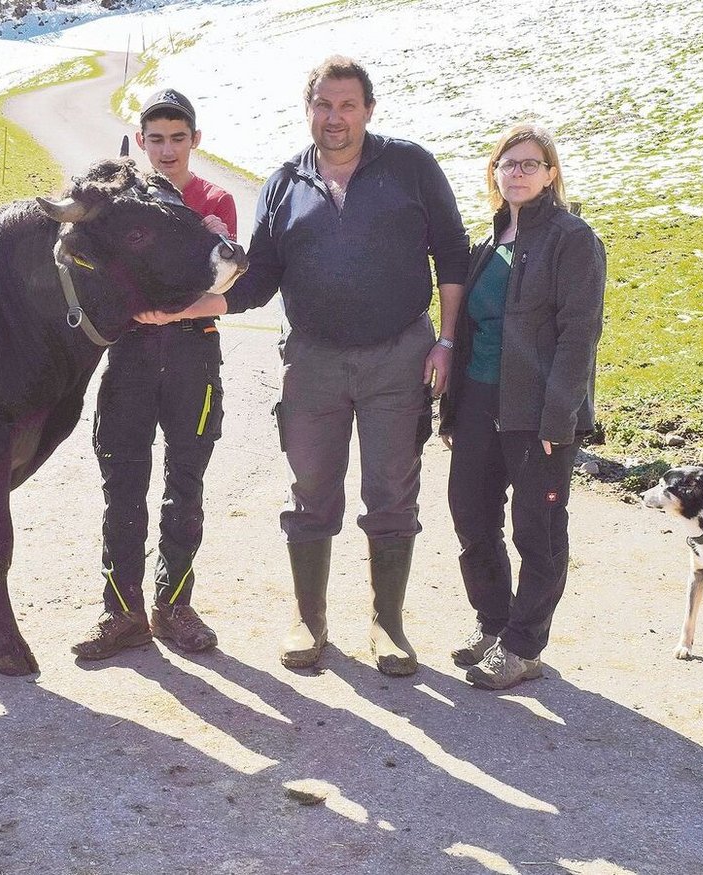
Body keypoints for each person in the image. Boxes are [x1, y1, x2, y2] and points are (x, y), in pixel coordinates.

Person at [137, 56, 469, 676]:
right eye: (323, 104)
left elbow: (452, 254)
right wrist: (182, 309)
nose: (335, 117)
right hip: (312, 361)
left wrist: (446, 342)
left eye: (347, 105)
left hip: (399, 355)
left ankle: (387, 624)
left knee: (391, 493)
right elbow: (258, 279)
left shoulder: (411, 168)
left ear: (369, 109)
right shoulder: (285, 182)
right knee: (312, 493)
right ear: (307, 108)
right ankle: (308, 620)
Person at [72, 88, 239, 660]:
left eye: (178, 138)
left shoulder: (216, 199)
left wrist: (175, 302)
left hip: (195, 357)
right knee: (122, 486)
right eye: (156, 139)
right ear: (140, 142)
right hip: (131, 357)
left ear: (196, 140)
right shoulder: (124, 200)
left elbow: (227, 289)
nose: (167, 150)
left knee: (184, 486)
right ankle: (121, 612)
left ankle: (175, 606)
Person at [439, 124, 606, 690]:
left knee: (538, 528)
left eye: (530, 164)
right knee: (471, 513)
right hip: (481, 402)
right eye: (507, 164)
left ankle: (525, 646)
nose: (517, 173)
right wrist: (453, 412)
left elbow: (579, 334)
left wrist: (559, 419)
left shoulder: (571, 238)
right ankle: (493, 624)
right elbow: (465, 330)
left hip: (538, 412)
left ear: (551, 173)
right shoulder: (488, 243)